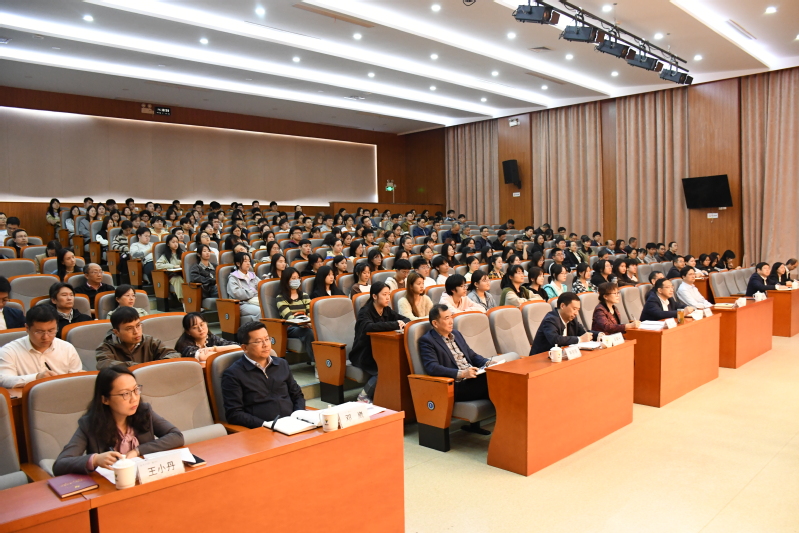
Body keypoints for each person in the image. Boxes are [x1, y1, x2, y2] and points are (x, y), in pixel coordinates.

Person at [52, 365, 184, 476]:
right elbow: (60, 464)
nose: (134, 398)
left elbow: (176, 436)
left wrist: (138, 451)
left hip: (146, 478)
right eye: (125, 394)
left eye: (135, 390)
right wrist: (95, 460)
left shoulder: (144, 411)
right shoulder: (89, 424)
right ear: (105, 399)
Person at [349, 282, 410, 403]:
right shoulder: (365, 311)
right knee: (384, 369)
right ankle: (363, 396)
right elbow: (369, 327)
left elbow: (405, 319)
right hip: (363, 353)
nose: (388, 297)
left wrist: (401, 323)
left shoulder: (386, 310)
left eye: (389, 294)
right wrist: (395, 324)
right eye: (384, 294)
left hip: (381, 351)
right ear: (374, 296)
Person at [419, 305, 492, 405]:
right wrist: (462, 373)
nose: (451, 321)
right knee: (493, 381)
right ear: (435, 323)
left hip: (472, 378)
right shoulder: (427, 341)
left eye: (451, 316)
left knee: (498, 376)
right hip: (456, 385)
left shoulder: (456, 334)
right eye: (446, 318)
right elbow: (432, 368)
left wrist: (489, 363)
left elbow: (472, 355)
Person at [0, 306, 83, 388]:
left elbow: (76, 379)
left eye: (51, 331)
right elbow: (4, 380)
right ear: (27, 328)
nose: (46, 337)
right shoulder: (9, 351)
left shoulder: (67, 348)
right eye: (39, 332)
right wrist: (36, 378)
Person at [96, 307, 181, 369]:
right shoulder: (106, 347)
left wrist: (157, 365)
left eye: (138, 325)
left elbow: (174, 355)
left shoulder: (150, 341)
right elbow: (104, 364)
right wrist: (139, 367)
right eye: (129, 328)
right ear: (116, 332)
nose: (136, 332)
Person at [530, 292, 602, 355]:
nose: (576, 313)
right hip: (542, 359)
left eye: (578, 310)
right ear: (562, 306)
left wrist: (599, 335)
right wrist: (580, 339)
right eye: (574, 309)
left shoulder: (572, 318)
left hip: (563, 356)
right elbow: (555, 339)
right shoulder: (551, 319)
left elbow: (583, 333)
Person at [276, 268, 315, 364]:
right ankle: (317, 364)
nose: (296, 280)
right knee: (308, 333)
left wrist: (309, 322)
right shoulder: (280, 298)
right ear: (286, 280)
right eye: (293, 278)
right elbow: (289, 317)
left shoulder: (304, 295)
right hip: (290, 327)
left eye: (298, 278)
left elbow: (310, 312)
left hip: (307, 324)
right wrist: (303, 324)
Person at [228, 252, 261, 321]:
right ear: (238, 263)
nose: (248, 263)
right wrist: (253, 291)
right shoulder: (233, 278)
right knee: (262, 311)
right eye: (245, 261)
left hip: (256, 300)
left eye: (249, 261)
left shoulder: (252, 275)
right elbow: (237, 294)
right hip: (242, 304)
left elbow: (261, 287)